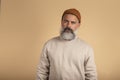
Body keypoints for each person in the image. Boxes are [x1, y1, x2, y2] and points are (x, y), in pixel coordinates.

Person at [36, 8, 97, 80]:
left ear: (78, 25)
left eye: (73, 22)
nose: (68, 25)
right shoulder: (49, 45)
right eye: (66, 21)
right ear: (61, 22)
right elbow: (42, 72)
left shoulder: (86, 48)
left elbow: (91, 75)